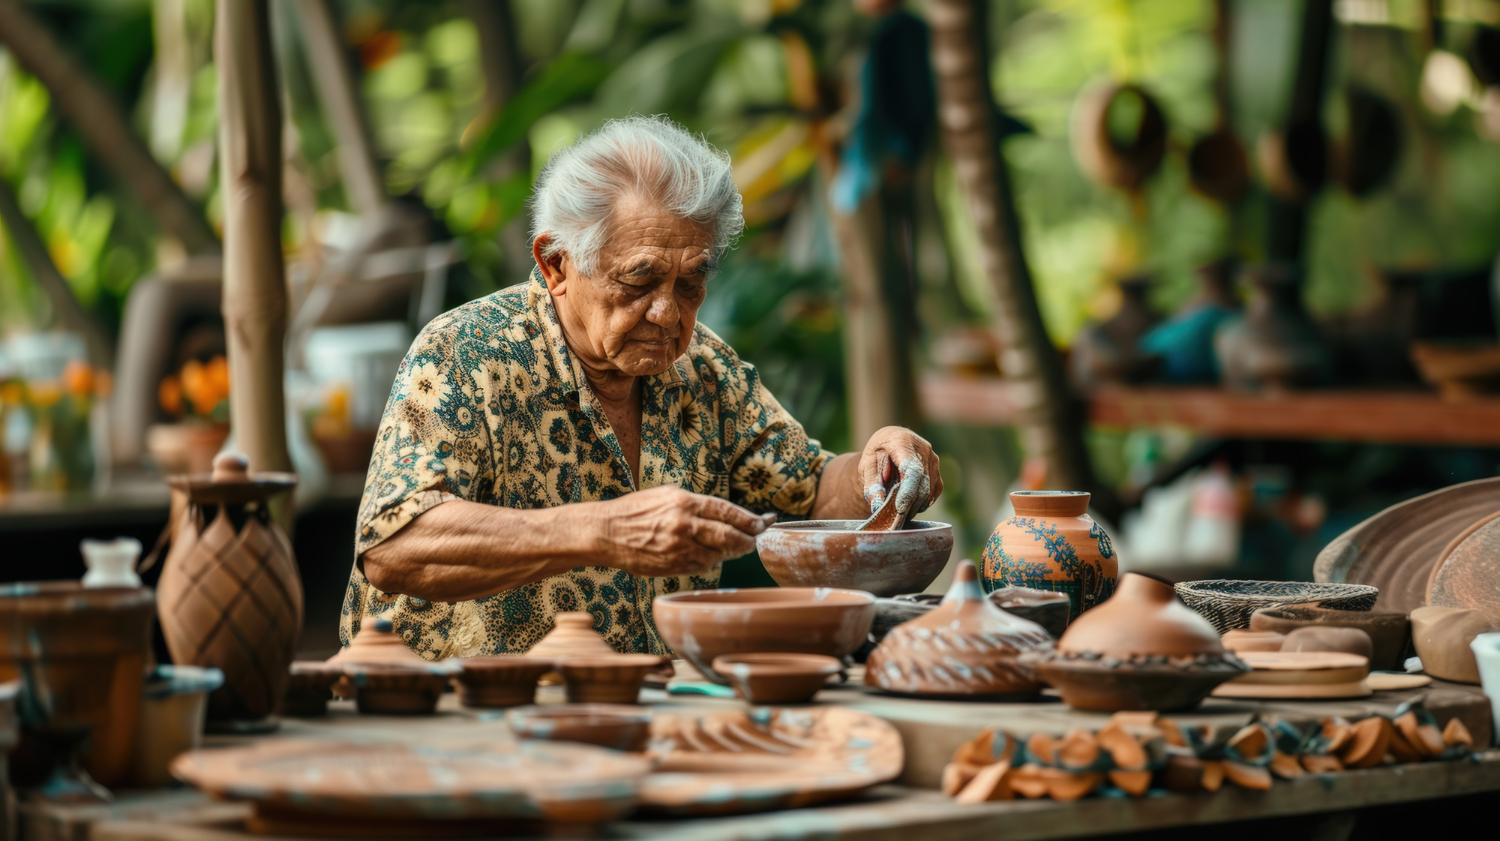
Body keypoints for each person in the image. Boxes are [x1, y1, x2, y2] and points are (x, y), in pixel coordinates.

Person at [340, 115, 942, 659]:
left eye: (690, 284)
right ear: (556, 265)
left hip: (647, 710)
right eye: (639, 281)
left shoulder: (704, 370)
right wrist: (601, 531)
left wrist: (875, 466)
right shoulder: (468, 354)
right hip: (462, 720)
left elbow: (810, 492)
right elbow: (395, 544)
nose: (668, 314)